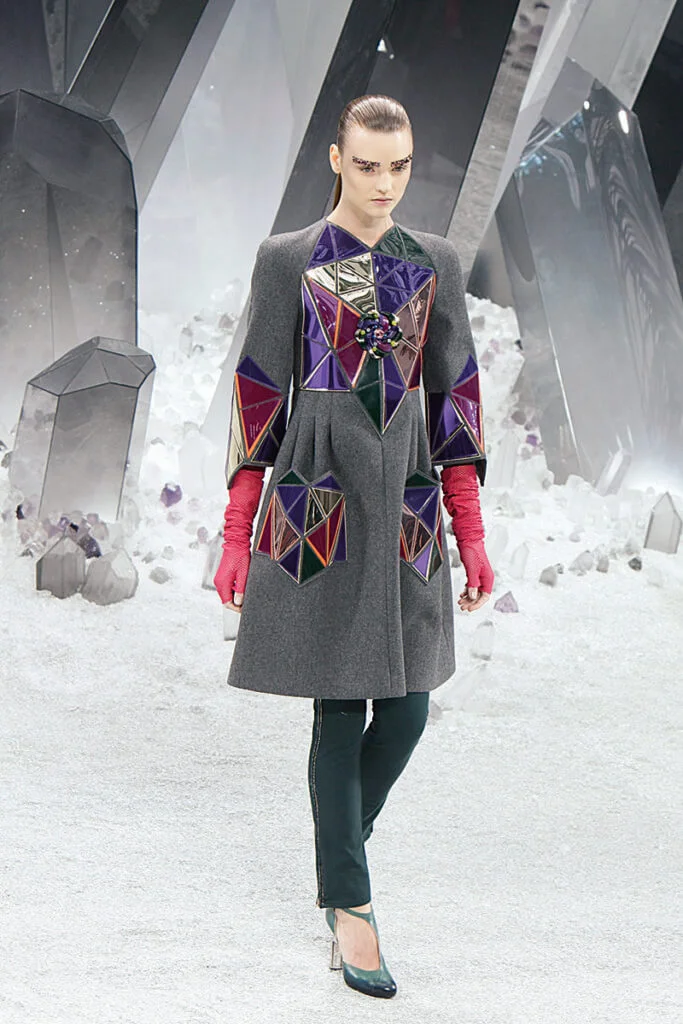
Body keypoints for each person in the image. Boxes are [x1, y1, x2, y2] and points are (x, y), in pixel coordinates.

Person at [213, 94, 494, 999]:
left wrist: (471, 533)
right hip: (317, 492)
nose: (383, 183)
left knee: (407, 709)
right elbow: (259, 391)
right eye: (366, 164)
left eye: (398, 166)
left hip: (406, 494)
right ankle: (352, 908)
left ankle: (338, 852)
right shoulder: (287, 258)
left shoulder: (434, 262)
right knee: (338, 710)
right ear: (336, 158)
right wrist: (235, 533)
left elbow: (455, 400)